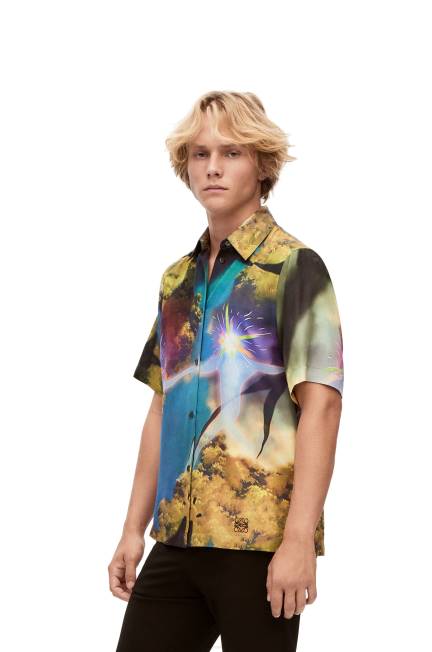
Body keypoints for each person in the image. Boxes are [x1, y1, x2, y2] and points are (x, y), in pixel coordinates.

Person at [109, 90, 344, 652]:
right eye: (200, 153)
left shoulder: (294, 267)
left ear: (261, 165)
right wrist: (132, 530)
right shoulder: (177, 280)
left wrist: (298, 541)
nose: (212, 167)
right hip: (177, 538)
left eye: (231, 152)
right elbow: (163, 406)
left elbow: (322, 405)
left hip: (258, 545)